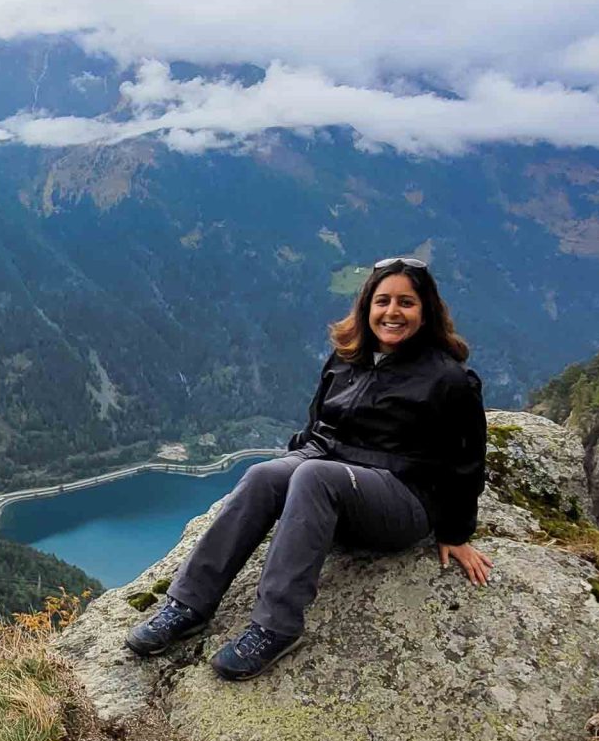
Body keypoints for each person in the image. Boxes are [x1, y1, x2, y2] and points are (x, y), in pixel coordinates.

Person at [124, 255, 490, 680]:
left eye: (406, 303)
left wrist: (456, 532)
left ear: (425, 312)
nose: (392, 312)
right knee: (265, 474)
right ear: (367, 307)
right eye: (382, 300)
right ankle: (189, 603)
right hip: (335, 479)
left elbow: (467, 459)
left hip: (402, 499)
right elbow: (317, 426)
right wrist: (293, 467)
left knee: (315, 476)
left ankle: (276, 625)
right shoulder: (346, 360)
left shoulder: (448, 380)